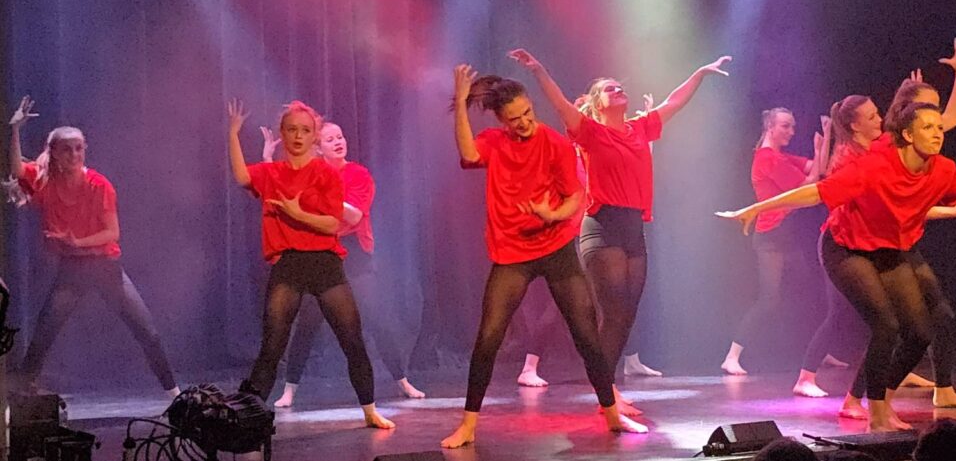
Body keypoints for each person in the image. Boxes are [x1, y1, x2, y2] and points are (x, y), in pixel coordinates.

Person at [717, 102, 956, 431]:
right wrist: (756, 209)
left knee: (920, 331)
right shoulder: (874, 167)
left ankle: (874, 401)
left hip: (888, 249)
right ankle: (876, 413)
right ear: (908, 135)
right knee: (886, 325)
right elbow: (815, 193)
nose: (937, 134)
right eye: (928, 127)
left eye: (939, 128)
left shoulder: (942, 170)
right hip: (846, 247)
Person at [510, 47, 730, 414]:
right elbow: (560, 103)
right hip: (603, 227)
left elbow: (675, 102)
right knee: (612, 313)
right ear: (597, 104)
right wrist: (538, 70)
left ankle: (606, 387)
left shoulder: (641, 128)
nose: (618, 90)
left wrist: (701, 73)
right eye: (610, 89)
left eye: (619, 87)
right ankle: (606, 395)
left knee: (626, 314)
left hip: (634, 229)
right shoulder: (590, 132)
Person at [441, 64, 646, 449]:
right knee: (488, 337)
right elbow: (468, 152)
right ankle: (468, 425)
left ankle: (611, 414)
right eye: (514, 119)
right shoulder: (495, 143)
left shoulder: (553, 142)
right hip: (512, 252)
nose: (524, 123)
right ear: (501, 121)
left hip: (555, 247)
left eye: (528, 113)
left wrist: (552, 214)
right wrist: (463, 103)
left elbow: (575, 197)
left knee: (586, 333)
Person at [227, 99, 393, 429]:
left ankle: (370, 409)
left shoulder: (326, 173)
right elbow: (243, 176)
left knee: (352, 339)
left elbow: (332, 224)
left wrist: (297, 213)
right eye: (292, 130)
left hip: (325, 264)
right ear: (283, 133)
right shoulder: (272, 173)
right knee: (272, 345)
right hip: (289, 265)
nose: (298, 136)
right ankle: (249, 417)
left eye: (305, 130)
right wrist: (233, 134)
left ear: (313, 135)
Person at [8, 96, 179, 397]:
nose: (74, 154)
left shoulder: (100, 185)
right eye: (67, 149)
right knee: (44, 332)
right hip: (72, 270)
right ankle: (20, 397)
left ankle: (174, 393)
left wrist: (78, 241)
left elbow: (112, 233)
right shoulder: (45, 180)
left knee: (146, 330)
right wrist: (14, 130)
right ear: (54, 153)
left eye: (79, 148)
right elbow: (17, 170)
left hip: (105, 267)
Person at [260, 123, 425, 406]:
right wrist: (267, 159)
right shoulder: (312, 173)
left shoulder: (358, 174)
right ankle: (289, 389)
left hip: (354, 253)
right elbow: (281, 189)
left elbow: (354, 215)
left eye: (340, 137)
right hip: (322, 253)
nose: (338, 142)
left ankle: (402, 380)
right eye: (330, 139)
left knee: (378, 319)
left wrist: (322, 198)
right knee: (307, 323)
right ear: (318, 148)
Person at [720, 107, 830, 375]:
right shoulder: (767, 159)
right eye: (785, 126)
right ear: (770, 127)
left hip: (786, 235)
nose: (791, 132)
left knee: (807, 291)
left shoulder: (780, 156)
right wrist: (821, 145)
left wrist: (825, 142)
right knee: (769, 300)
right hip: (771, 237)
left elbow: (819, 170)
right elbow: (809, 185)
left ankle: (819, 351)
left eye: (792, 126)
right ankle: (731, 356)